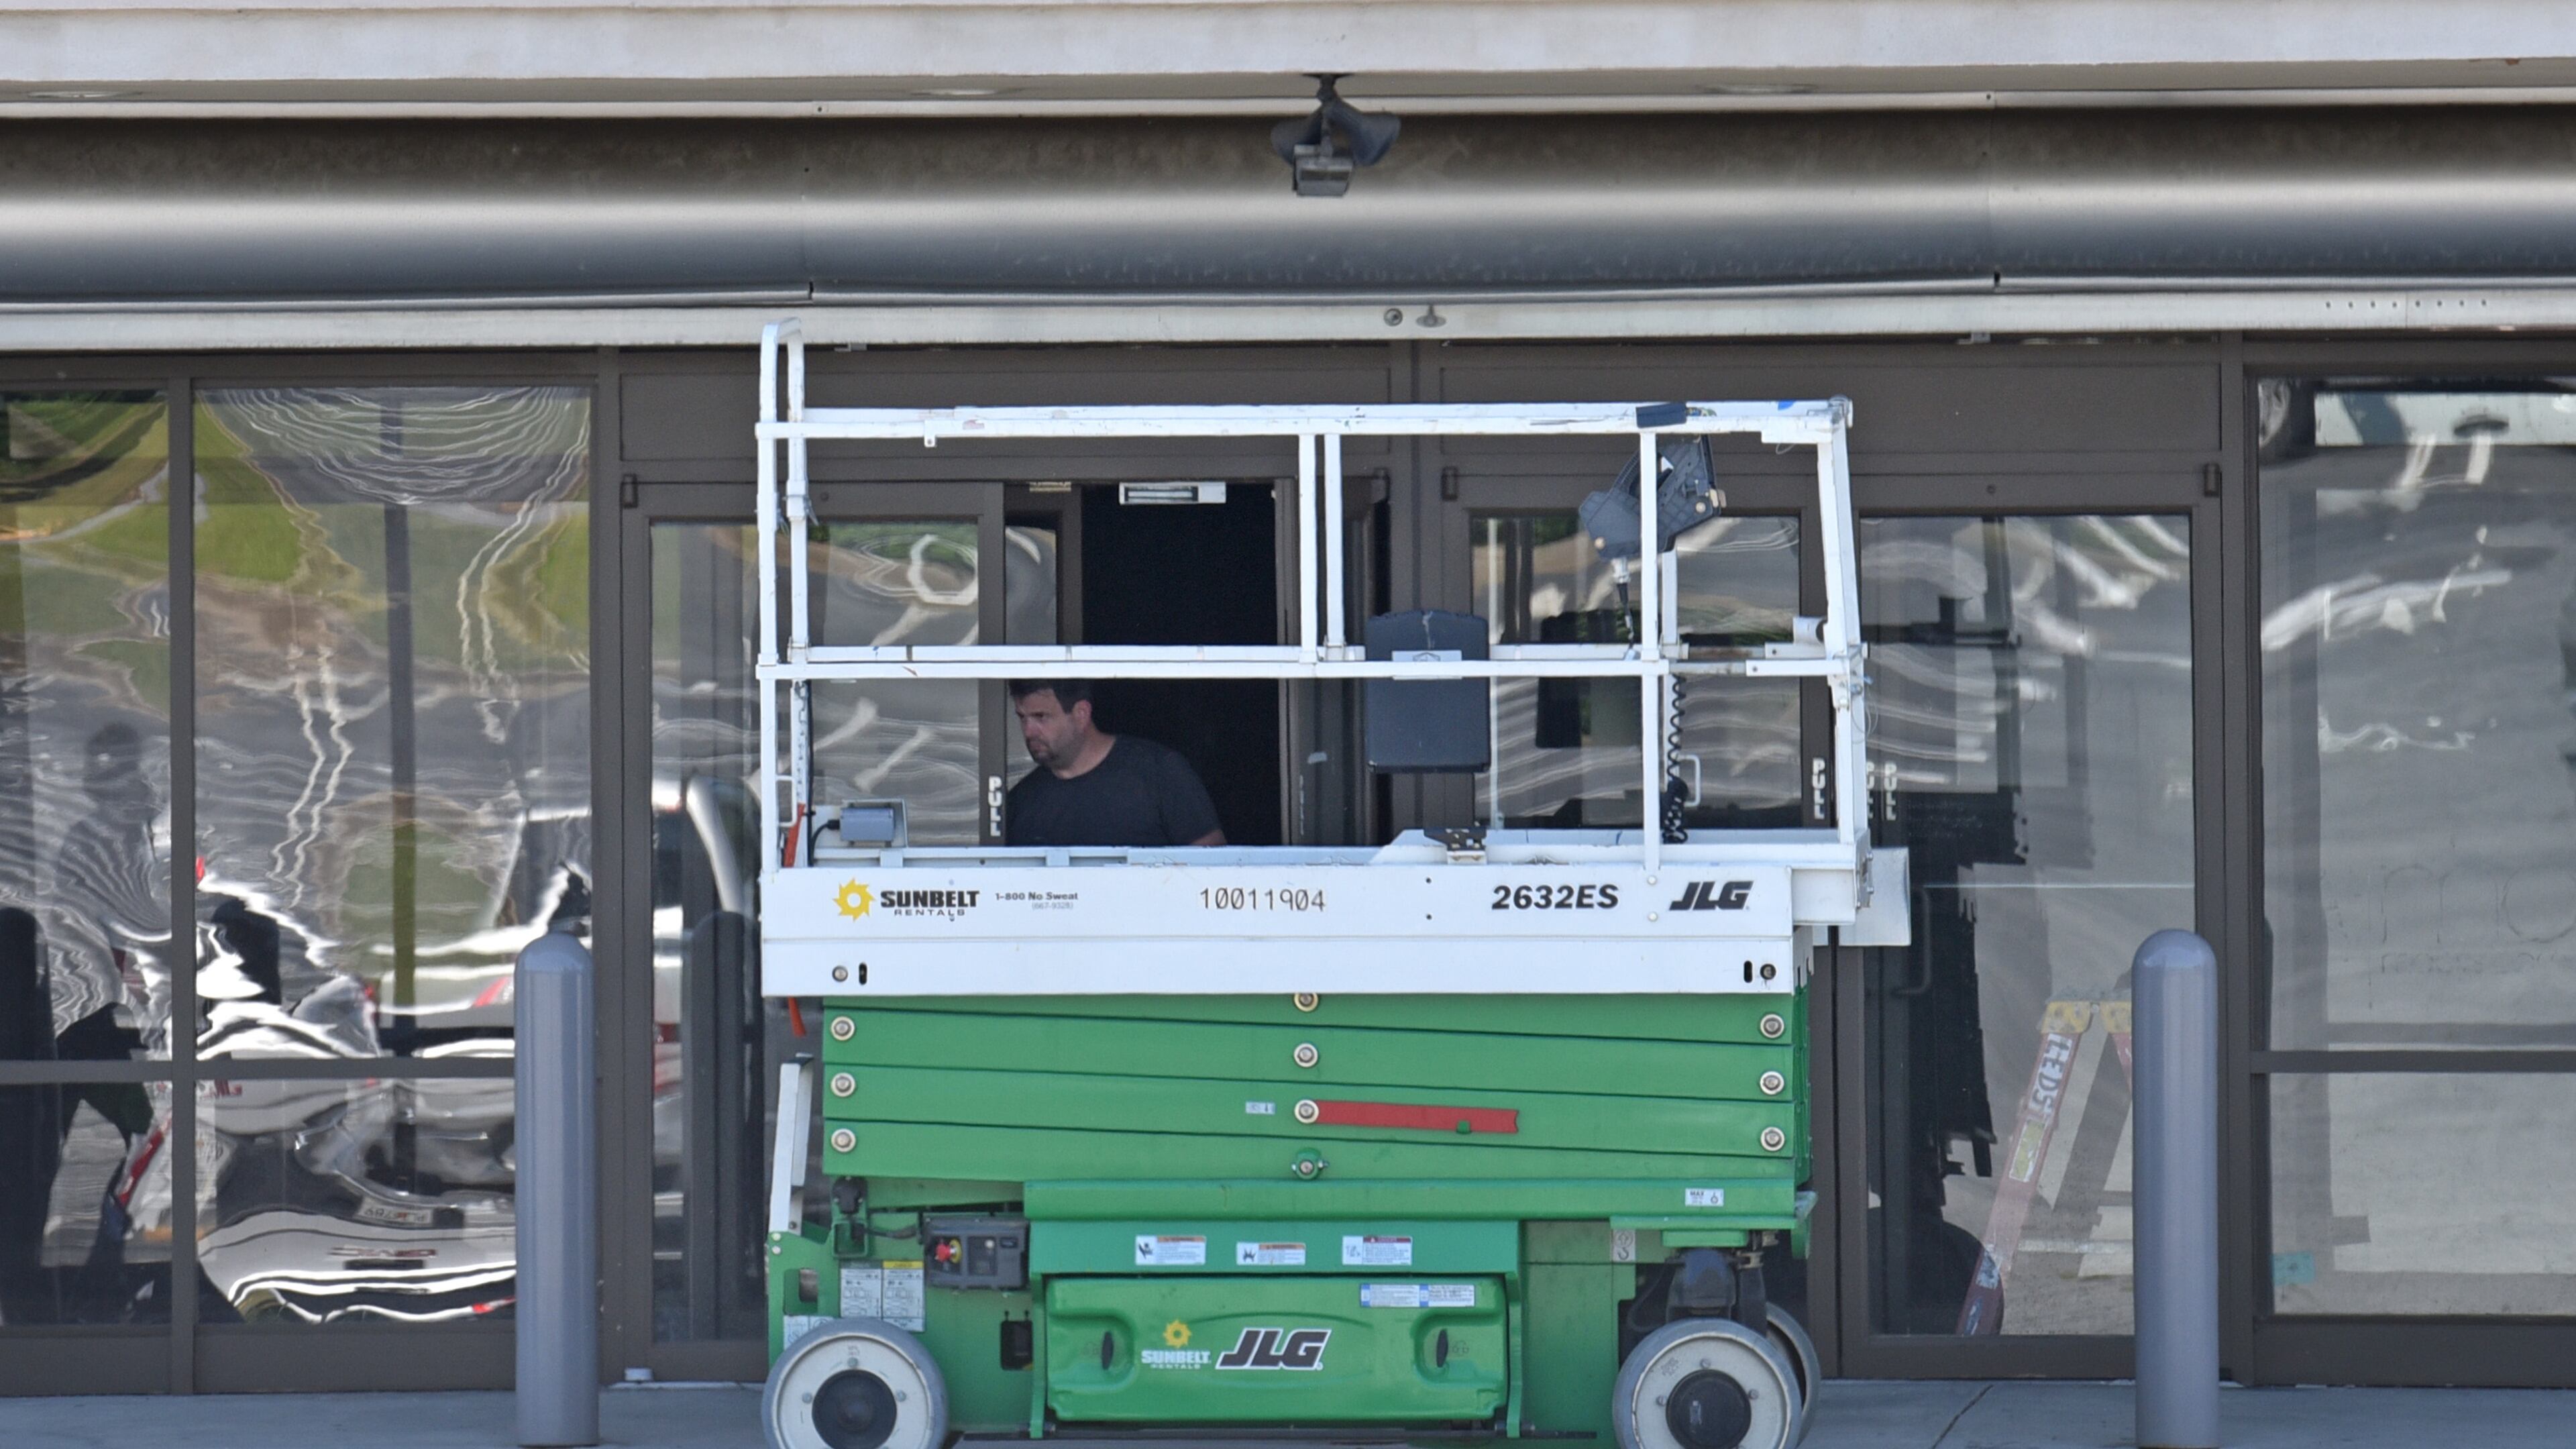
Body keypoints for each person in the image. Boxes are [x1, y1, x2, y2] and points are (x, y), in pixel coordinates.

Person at [1005, 680, 1224, 847]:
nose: (1029, 731)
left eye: (1041, 717)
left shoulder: (1159, 773)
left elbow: (1213, 871)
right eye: (1022, 718)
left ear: (1081, 714)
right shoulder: (1022, 801)